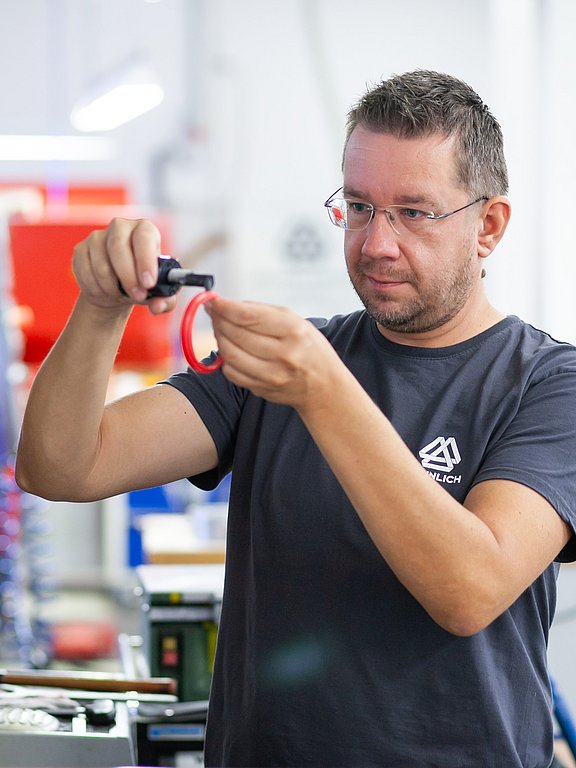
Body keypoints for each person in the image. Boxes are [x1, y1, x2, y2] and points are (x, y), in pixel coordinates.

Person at [15, 70, 576, 768]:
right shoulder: (277, 369)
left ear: (487, 226)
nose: (377, 244)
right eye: (361, 207)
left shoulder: (549, 384)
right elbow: (60, 467)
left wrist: (323, 391)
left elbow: (469, 590)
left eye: (414, 212)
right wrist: (99, 309)